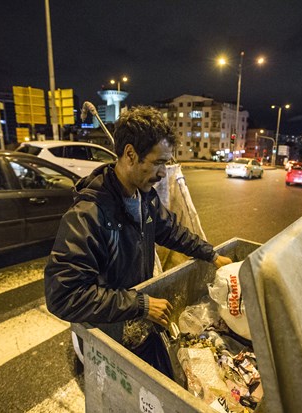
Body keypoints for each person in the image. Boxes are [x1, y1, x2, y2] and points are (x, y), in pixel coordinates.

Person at [44, 106, 232, 375]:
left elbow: (171, 231)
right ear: (130, 154)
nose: (163, 173)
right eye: (158, 163)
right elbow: (63, 295)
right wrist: (140, 304)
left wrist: (211, 254)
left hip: (135, 326)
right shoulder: (87, 217)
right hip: (106, 340)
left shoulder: (145, 198)